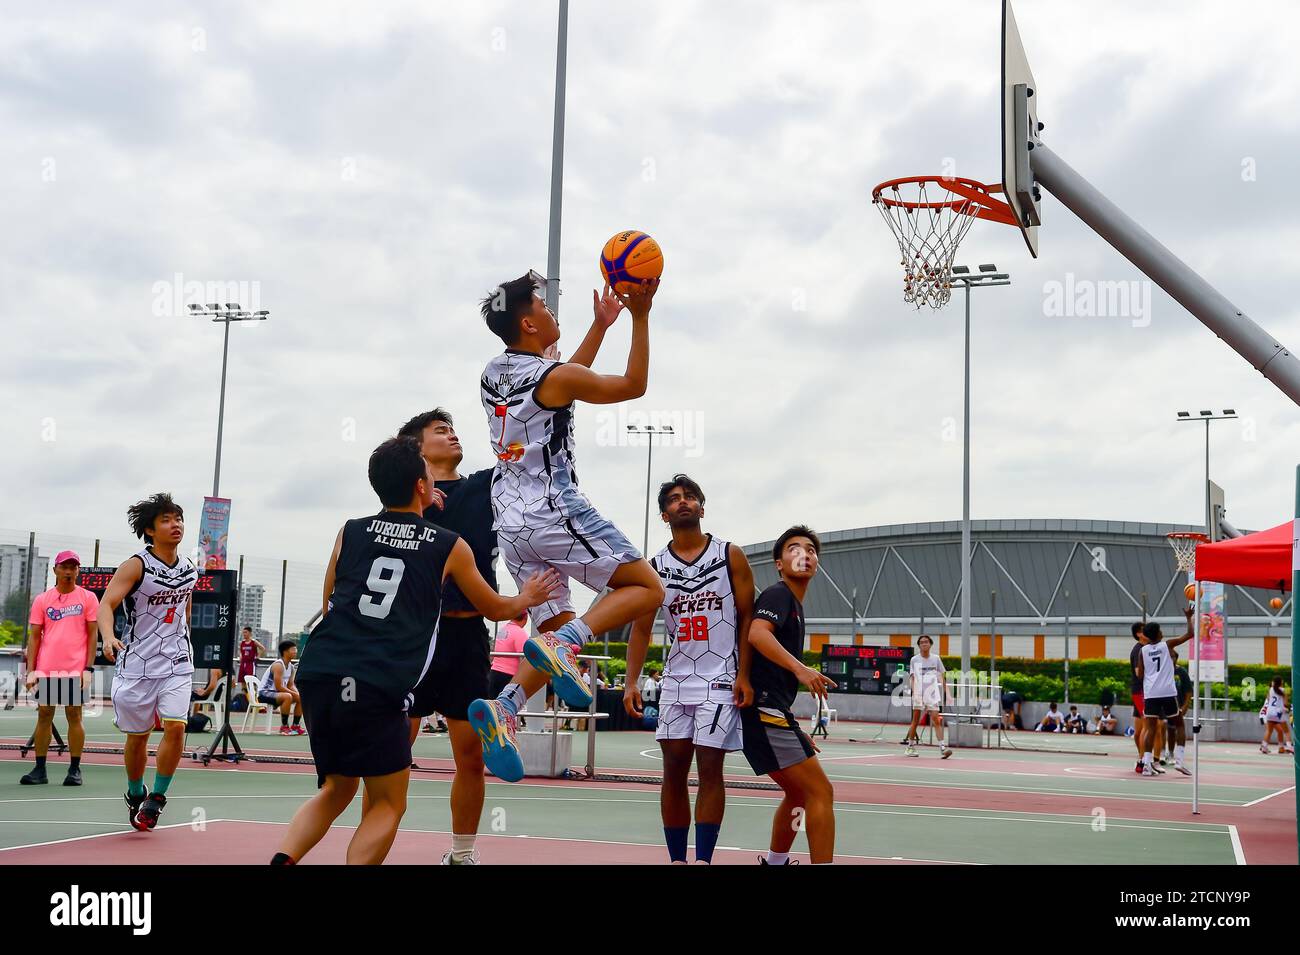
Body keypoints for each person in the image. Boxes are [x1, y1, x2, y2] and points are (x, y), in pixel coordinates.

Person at [271, 437, 559, 865]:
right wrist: (528, 597)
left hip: (322, 669)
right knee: (389, 803)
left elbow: (330, 595)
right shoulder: (447, 544)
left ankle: (281, 860)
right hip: (376, 677)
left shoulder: (349, 530)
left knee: (336, 789)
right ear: (423, 486)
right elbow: (495, 607)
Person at [468, 272, 665, 783]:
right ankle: (566, 641)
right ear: (530, 323)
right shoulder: (552, 377)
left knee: (555, 633)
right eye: (542, 301)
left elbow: (562, 380)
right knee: (647, 587)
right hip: (553, 508)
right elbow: (633, 385)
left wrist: (600, 327)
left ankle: (507, 704)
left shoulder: (493, 372)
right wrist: (639, 317)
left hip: (509, 521)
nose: (551, 306)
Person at [624, 474, 756, 865]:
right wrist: (632, 680)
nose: (683, 502)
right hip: (676, 680)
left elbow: (749, 616)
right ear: (664, 514)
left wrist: (744, 674)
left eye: (690, 497)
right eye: (675, 499)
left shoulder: (729, 554)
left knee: (710, 767)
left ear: (701, 506)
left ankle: (704, 860)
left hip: (720, 678)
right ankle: (678, 859)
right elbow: (642, 627)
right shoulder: (654, 567)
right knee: (673, 771)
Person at [396, 408, 503, 863]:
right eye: (441, 430)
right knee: (392, 752)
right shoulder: (402, 500)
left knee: (470, 756)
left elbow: (528, 444)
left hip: (465, 635)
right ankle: (373, 836)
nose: (453, 435)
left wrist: (544, 377)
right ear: (418, 449)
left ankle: (462, 853)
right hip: (414, 638)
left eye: (454, 429)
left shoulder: (486, 486)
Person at [97, 494, 197, 831]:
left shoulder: (189, 569)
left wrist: (182, 636)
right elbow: (106, 604)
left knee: (176, 726)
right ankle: (135, 791)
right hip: (138, 663)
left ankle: (157, 797)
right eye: (167, 520)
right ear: (150, 530)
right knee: (138, 738)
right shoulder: (136, 565)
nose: (176, 525)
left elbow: (185, 609)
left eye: (178, 518)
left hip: (177, 662)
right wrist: (109, 637)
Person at [743, 526, 837, 865]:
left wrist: (795, 730)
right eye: (794, 548)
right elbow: (757, 634)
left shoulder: (793, 605)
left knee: (798, 792)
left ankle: (776, 861)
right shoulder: (778, 595)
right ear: (779, 563)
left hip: (773, 710)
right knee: (821, 792)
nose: (804, 554)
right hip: (763, 709)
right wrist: (801, 669)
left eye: (811, 549)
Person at [21, 551, 99, 786]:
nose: (68, 571)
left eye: (73, 567)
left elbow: (93, 633)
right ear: (55, 570)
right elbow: (34, 637)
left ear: (78, 571)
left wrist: (88, 668)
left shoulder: (88, 598)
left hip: (75, 669)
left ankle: (74, 770)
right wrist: (31, 670)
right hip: (47, 668)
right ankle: (40, 769)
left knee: (74, 715)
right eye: (64, 567)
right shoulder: (42, 600)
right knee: (44, 715)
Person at [1135, 610, 1194, 777]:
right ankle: (1179, 761)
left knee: (1150, 729)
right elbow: (1190, 634)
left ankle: (1146, 764)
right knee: (1179, 724)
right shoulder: (1167, 645)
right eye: (1161, 630)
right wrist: (1188, 618)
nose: (1163, 632)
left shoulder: (1143, 651)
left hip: (1151, 693)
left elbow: (1140, 674)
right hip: (1167, 691)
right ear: (1158, 634)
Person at [903, 635, 951, 757]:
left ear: (930, 644)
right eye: (922, 642)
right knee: (915, 721)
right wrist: (915, 693)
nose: (924, 644)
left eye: (926, 642)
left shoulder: (936, 658)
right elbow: (912, 678)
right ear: (919, 645)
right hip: (919, 693)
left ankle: (943, 748)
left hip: (932, 694)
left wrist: (948, 693)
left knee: (936, 719)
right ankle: (910, 747)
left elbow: (941, 676)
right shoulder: (914, 659)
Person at [258, 641, 303, 736]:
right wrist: (293, 694)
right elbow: (279, 687)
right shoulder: (278, 665)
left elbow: (290, 685)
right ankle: (284, 727)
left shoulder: (291, 667)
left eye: (296, 649)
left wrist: (297, 694)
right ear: (285, 652)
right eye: (293, 649)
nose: (295, 651)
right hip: (264, 693)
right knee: (287, 696)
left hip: (278, 693)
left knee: (301, 697)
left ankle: (295, 726)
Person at [1164, 648, 1193, 774]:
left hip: (1178, 705)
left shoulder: (1181, 672)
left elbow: (1188, 691)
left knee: (1177, 728)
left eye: (1174, 656)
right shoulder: (1162, 671)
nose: (1172, 658)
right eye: (1170, 656)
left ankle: (1177, 758)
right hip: (1163, 705)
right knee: (1167, 730)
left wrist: (1185, 706)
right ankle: (1166, 754)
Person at [490, 611, 530, 698]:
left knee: (493, 704)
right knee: (505, 706)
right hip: (509, 676)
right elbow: (524, 657)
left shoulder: (503, 629)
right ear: (526, 618)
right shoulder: (520, 633)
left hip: (494, 672)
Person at [1129, 622, 1147, 774]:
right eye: (1144, 630)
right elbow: (1138, 672)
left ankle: (1141, 757)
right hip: (1142, 692)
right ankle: (1142, 761)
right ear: (1139, 634)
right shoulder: (1139, 650)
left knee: (1138, 732)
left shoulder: (1142, 649)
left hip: (1138, 691)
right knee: (1146, 728)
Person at [1261, 676, 1294, 754]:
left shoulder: (1270, 690)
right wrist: (1285, 707)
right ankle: (1289, 747)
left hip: (1269, 712)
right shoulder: (1283, 691)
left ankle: (1264, 747)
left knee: (1269, 730)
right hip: (1278, 713)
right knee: (1286, 731)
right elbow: (1285, 704)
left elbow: (1269, 700)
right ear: (1280, 682)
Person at [235, 627, 266, 691]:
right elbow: (241, 651)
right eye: (243, 632)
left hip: (250, 664)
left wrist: (258, 656)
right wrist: (240, 656)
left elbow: (262, 648)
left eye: (246, 632)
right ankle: (244, 697)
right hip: (243, 663)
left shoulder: (253, 642)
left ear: (250, 633)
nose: (244, 634)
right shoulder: (242, 643)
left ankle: (252, 695)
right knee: (242, 680)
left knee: (250, 680)